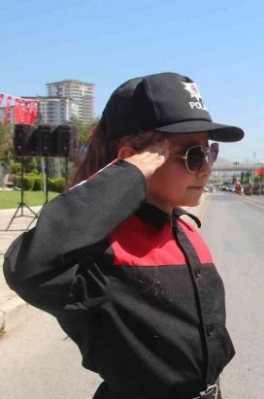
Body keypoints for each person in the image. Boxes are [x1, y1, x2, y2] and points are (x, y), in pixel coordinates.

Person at [3, 72, 241, 398]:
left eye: (208, 153)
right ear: (135, 161)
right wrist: (126, 176)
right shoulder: (104, 248)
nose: (206, 169)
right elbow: (30, 267)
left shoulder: (183, 228)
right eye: (192, 155)